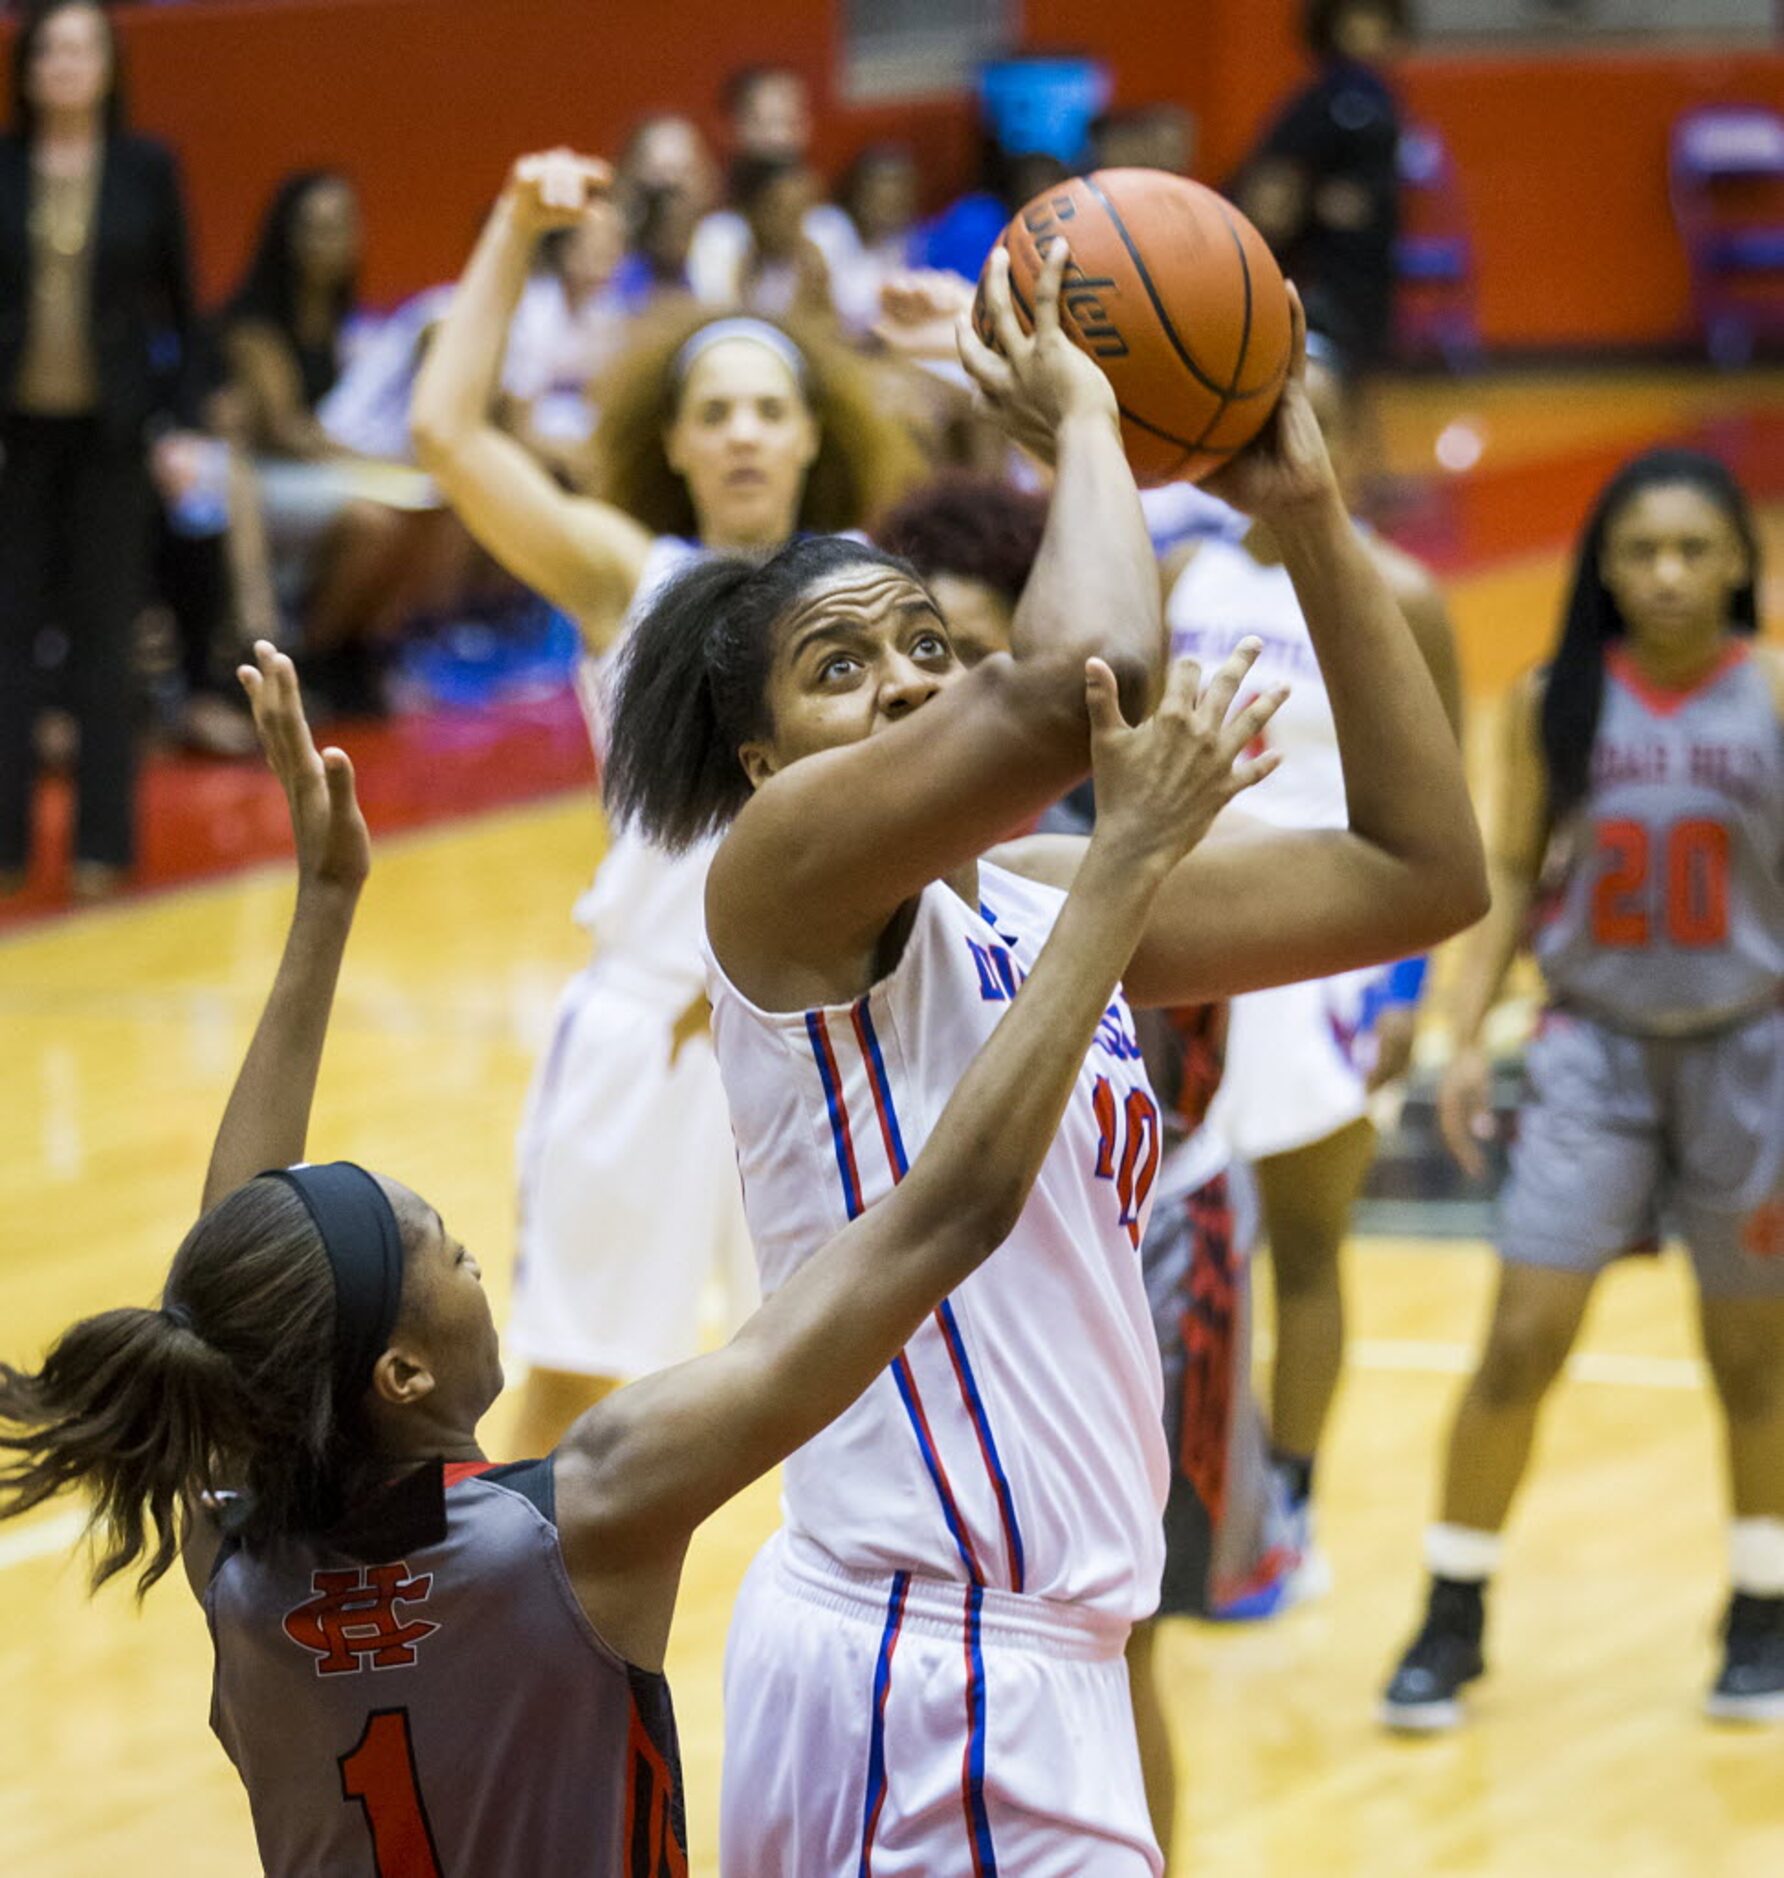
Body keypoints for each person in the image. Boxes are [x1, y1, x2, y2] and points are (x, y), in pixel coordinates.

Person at [0, 631, 1252, 1873]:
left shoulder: (245, 1561)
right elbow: (951, 1213)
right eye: (447, 1254)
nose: (475, 1259)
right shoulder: (578, 1518)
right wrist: (1121, 866)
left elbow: (239, 1289)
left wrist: (323, 907)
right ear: (403, 1377)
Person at [602, 238, 1485, 1867]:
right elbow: (1075, 685)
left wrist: (1299, 518)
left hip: (1027, 1656)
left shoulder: (1019, 895)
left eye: (918, 645)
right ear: (758, 757)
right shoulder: (780, 875)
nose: (901, 684)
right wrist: (1086, 416)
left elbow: (1419, 871)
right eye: (838, 665)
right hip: (925, 1661)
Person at [411, 151, 923, 1460]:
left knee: (848, 1400)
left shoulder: (880, 601)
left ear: (815, 432)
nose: (744, 430)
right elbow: (447, 437)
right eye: (716, 410)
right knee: (579, 1390)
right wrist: (517, 224)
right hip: (645, 1028)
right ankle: (504, 1638)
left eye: (769, 408)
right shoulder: (625, 576)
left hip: (824, 1029)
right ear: (675, 440)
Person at [1381, 449, 1784, 1731]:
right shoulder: (1556, 697)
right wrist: (1455, 1038)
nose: (1665, 575)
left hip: (1750, 1055)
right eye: (1638, 552)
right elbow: (1504, 874)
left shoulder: (1772, 694)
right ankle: (1452, 1612)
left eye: (1691, 550)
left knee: (1750, 1360)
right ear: (1601, 568)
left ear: (1737, 563)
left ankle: (1758, 1611)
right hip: (1589, 1055)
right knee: (1518, 1338)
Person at [1164, 332, 1462, 1594]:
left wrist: (1410, 987)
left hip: (1328, 949)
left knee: (1306, 1241)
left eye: (1311, 418)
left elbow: (1439, 804)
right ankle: (1189, 1501)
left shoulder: (1396, 591)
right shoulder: (1178, 571)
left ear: (1341, 438)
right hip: (1189, 939)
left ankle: (1286, 1499)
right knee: (1183, 1238)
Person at [0, 0, 200, 898]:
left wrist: (181, 424)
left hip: (115, 439)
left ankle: (101, 844)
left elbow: (182, 311)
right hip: (16, 439)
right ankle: (5, 845)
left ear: (110, 64)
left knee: (105, 639)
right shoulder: (3, 167)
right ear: (27, 66)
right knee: (7, 638)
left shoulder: (146, 168)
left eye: (82, 48)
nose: (65, 65)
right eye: (50, 50)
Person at [220, 170, 437, 714]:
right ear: (284, 237)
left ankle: (362, 649)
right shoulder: (254, 324)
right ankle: (310, 658)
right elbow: (286, 432)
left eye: (340, 226)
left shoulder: (351, 321)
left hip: (325, 470)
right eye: (314, 228)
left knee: (436, 507)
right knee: (374, 520)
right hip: (251, 476)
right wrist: (380, 463)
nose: (328, 241)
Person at [1235, 0, 1408, 373]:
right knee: (1333, 363)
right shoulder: (1321, 98)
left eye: (1377, 18)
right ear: (1333, 25)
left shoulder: (1382, 95)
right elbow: (1271, 180)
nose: (1368, 29)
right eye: (1358, 17)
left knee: (1368, 365)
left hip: (1373, 257)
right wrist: (1313, 204)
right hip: (1329, 265)